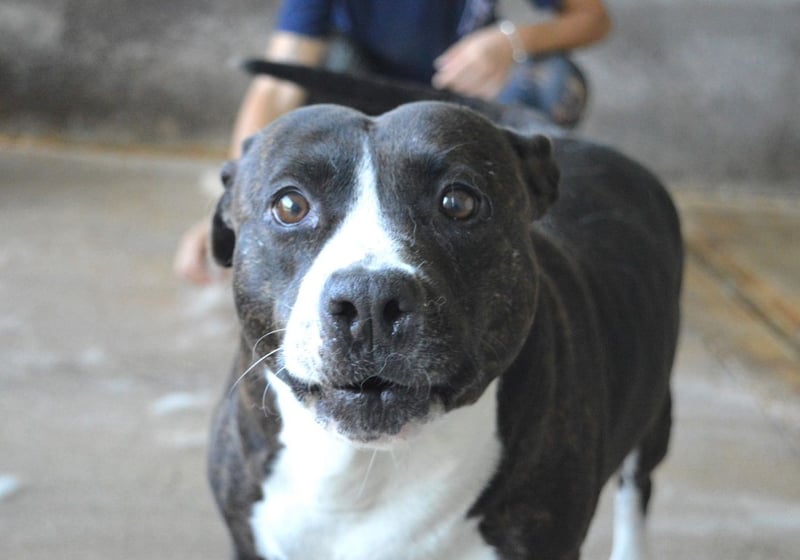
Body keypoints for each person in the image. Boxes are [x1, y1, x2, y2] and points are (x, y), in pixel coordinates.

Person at [174, 0, 610, 284]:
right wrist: (234, 208)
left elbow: (592, 17)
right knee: (314, 67)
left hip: (455, 99)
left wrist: (508, 41)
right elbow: (276, 84)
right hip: (363, 104)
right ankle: (321, 222)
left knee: (556, 82)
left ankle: (526, 216)